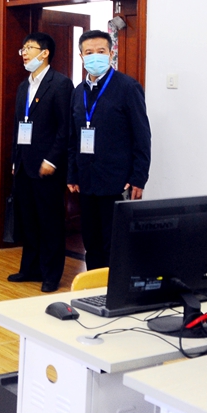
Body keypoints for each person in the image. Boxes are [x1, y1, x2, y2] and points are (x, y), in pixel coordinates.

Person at [67, 30, 152, 269]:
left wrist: (139, 177)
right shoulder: (78, 91)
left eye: (101, 51)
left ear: (111, 53)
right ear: (81, 56)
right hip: (86, 180)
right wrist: (72, 173)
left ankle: (112, 289)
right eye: (89, 52)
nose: (95, 56)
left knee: (113, 242)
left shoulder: (127, 87)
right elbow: (73, 137)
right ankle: (93, 285)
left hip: (117, 180)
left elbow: (142, 136)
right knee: (91, 241)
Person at [7, 33, 73, 291]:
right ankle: (30, 269)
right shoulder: (24, 86)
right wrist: (15, 159)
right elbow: (18, 126)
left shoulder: (60, 84)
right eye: (22, 48)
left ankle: (51, 275)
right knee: (29, 220)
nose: (24, 53)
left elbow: (65, 128)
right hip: (24, 164)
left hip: (47, 166)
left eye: (29, 48)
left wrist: (52, 160)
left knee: (50, 222)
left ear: (45, 53)